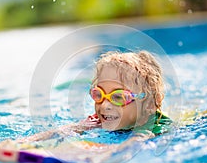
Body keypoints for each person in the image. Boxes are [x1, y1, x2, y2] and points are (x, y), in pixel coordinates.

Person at [16, 50, 172, 144]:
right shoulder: (103, 117)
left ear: (151, 103)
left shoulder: (154, 127)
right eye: (99, 95)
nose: (105, 105)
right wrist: (23, 143)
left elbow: (132, 147)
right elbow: (68, 130)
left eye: (118, 97)